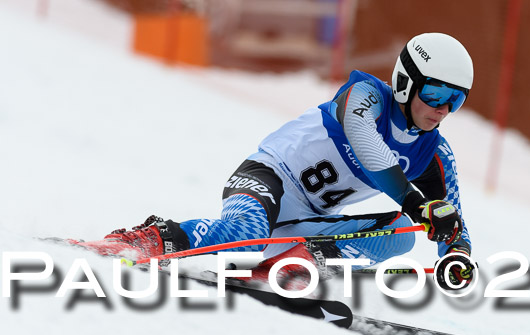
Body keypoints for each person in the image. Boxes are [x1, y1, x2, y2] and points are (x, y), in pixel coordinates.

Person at [77, 32, 476, 289]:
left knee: (402, 233)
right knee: (241, 233)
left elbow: (450, 219)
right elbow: (368, 147)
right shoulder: (366, 96)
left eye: (456, 100)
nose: (443, 109)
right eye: (437, 94)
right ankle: (141, 242)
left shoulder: (433, 154)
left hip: (304, 219)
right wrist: (413, 200)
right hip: (269, 178)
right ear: (406, 82)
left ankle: (289, 264)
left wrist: (456, 253)